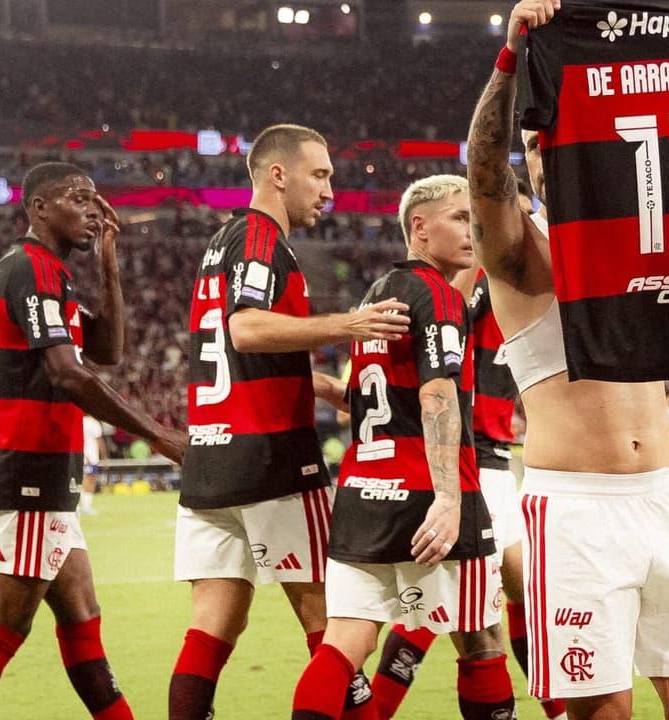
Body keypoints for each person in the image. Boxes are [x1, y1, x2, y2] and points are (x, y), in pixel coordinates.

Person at [462, 2, 669, 717]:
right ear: (535, 156)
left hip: (662, 498)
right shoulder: (519, 250)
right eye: (543, 143)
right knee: (603, 714)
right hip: (576, 508)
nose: (559, 150)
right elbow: (482, 170)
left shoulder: (646, 235)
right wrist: (510, 58)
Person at [169, 124, 408, 720]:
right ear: (279, 175)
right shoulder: (260, 238)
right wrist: (350, 325)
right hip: (271, 459)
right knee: (332, 621)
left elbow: (236, 348)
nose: (330, 190)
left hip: (211, 458)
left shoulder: (221, 240)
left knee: (211, 627)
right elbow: (246, 329)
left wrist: (322, 385)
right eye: (320, 174)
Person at [0, 162, 187, 720]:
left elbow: (108, 352)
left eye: (96, 200)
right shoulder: (30, 268)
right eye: (79, 198)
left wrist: (110, 267)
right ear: (40, 208)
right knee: (3, 627)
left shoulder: (52, 273)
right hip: (26, 469)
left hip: (44, 473)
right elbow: (68, 374)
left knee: (81, 615)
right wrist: (161, 435)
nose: (94, 210)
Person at [291, 175, 515, 720]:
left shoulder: (376, 294)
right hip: (426, 494)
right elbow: (438, 391)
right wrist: (448, 496)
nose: (473, 229)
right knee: (481, 640)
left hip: (362, 492)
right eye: (459, 218)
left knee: (343, 645)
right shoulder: (438, 292)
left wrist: (312, 382)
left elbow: (369, 396)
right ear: (420, 226)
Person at [369, 250, 567, 720]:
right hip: (470, 460)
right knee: (461, 609)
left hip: (493, 460)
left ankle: (558, 711)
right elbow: (439, 324)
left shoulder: (525, 282)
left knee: (515, 596)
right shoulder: (475, 274)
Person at [81, 415, 105, 515]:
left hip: (80, 455)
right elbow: (99, 442)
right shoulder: (94, 423)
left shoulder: (80, 421)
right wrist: (104, 456)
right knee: (90, 481)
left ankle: (83, 506)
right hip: (91, 457)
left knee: (81, 480)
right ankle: (86, 507)